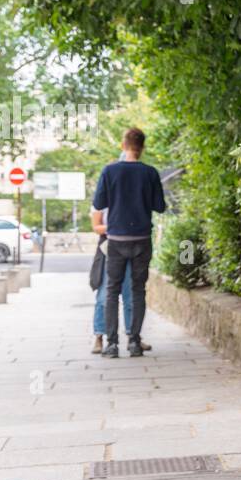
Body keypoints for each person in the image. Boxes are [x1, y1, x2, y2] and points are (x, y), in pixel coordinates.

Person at [92, 127, 166, 358]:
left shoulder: (110, 171)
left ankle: (111, 345)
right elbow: (160, 206)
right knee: (137, 290)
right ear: (142, 147)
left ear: (123, 146)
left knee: (112, 290)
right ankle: (134, 342)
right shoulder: (150, 173)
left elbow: (99, 202)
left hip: (116, 240)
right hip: (142, 240)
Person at [89, 206, 150, 354]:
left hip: (132, 247)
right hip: (109, 248)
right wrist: (118, 227)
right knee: (104, 296)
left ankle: (133, 336)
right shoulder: (101, 202)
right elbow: (96, 227)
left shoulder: (131, 197)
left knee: (130, 296)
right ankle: (99, 336)